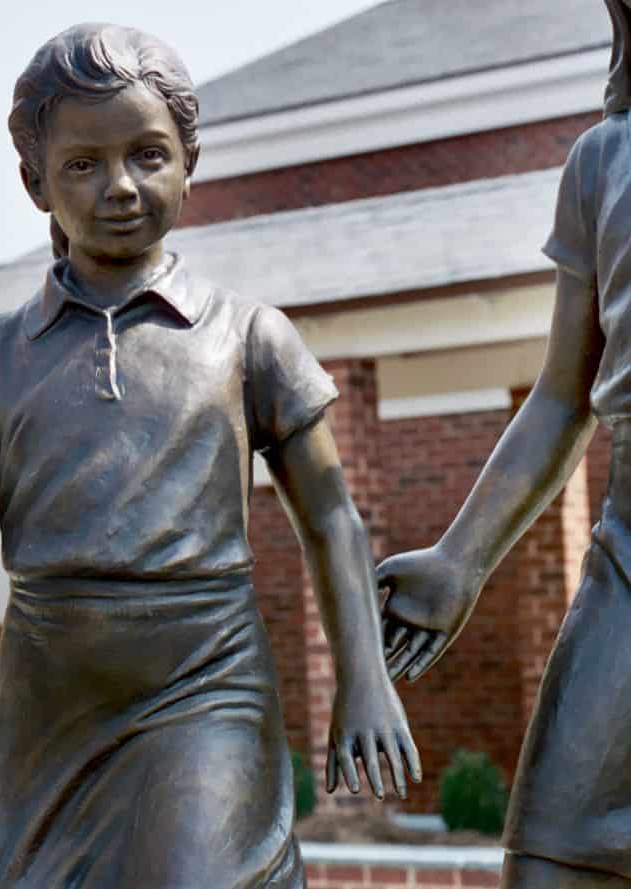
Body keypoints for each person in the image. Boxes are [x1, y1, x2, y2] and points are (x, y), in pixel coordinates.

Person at [0, 24, 419, 888]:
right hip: (46, 693)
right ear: (35, 182)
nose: (120, 185)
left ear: (189, 162)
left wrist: (364, 676)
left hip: (204, 679)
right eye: (83, 164)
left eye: (148, 155)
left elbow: (332, 516)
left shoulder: (248, 336)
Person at [379, 3, 631, 886]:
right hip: (627, 551)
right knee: (553, 847)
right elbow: (563, 394)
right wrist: (461, 556)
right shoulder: (602, 161)